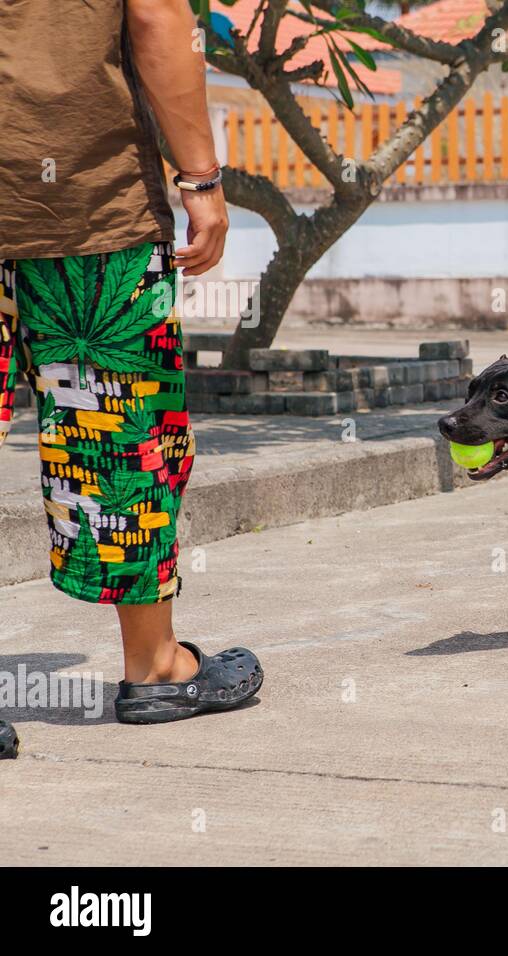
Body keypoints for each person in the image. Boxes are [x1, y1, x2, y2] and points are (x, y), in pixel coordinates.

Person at [0, 0, 263, 723]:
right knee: (122, 443)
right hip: (83, 203)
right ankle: (155, 668)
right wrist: (201, 181)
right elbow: (156, 20)